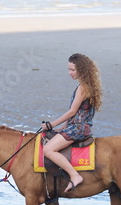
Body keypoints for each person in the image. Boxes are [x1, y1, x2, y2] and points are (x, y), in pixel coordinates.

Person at [41, 53, 103, 193]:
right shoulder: (87, 86)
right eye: (69, 70)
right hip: (77, 126)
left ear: (82, 69)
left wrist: (52, 124)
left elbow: (72, 112)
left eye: (73, 70)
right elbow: (80, 113)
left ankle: (75, 176)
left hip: (78, 129)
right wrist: (63, 127)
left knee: (48, 150)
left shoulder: (83, 88)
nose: (70, 73)